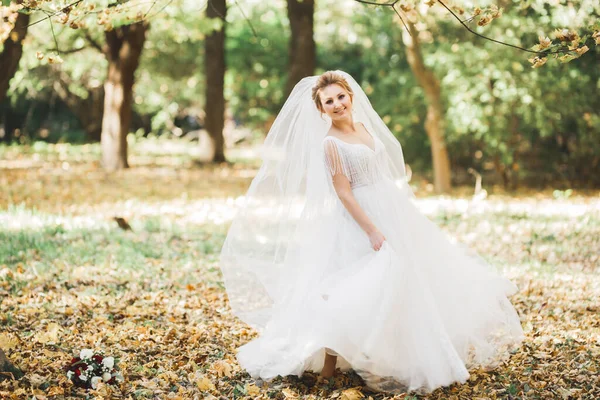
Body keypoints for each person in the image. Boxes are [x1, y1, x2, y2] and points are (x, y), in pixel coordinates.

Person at [220, 70, 524, 394]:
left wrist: (399, 209)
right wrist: (372, 231)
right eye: (329, 101)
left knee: (407, 284)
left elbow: (381, 170)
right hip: (359, 218)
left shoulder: (364, 128)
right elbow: (344, 192)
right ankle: (328, 369)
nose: (337, 104)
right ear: (321, 109)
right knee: (348, 289)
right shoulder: (330, 144)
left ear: (350, 96)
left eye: (340, 97)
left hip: (390, 207)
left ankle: (407, 357)